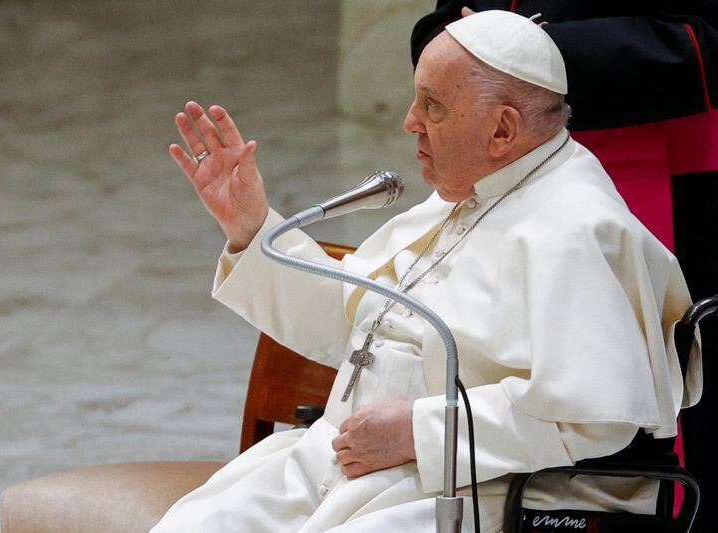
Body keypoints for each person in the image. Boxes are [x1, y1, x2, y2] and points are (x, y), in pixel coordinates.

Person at [153, 11, 701, 532]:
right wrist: (251, 225)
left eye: (432, 105)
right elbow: (354, 330)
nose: (409, 122)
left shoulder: (579, 228)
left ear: (503, 130)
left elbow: (594, 417)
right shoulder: (468, 194)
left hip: (486, 486)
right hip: (353, 460)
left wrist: (419, 431)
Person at [414, 6, 718, 526]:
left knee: (635, 387)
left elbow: (701, 41)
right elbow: (438, 24)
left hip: (650, 160)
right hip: (496, 160)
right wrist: (465, 50)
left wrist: (524, 51)